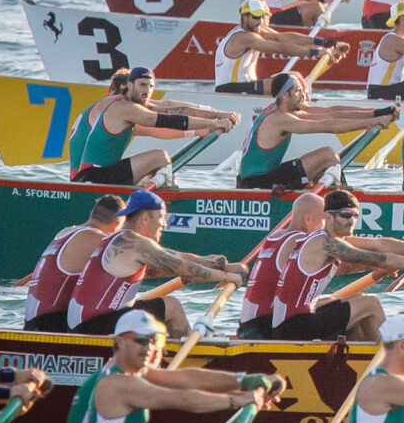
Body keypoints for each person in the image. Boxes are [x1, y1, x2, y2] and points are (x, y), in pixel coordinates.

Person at [67, 310, 280, 423]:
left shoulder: (130, 372)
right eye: (140, 340)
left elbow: (187, 378)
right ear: (119, 342)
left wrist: (245, 380)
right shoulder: (117, 383)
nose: (150, 348)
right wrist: (238, 400)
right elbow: (182, 399)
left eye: (155, 341)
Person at [270, 189, 404, 341]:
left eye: (355, 215)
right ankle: (390, 356)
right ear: (329, 217)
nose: (351, 220)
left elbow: (382, 244)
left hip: (297, 318)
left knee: (359, 298)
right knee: (370, 304)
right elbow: (381, 259)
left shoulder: (331, 239)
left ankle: (368, 351)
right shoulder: (325, 243)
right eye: (345, 215)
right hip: (293, 327)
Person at [67, 190, 248, 337]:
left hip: (85, 324)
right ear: (145, 217)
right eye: (161, 217)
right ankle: (185, 363)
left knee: (152, 312)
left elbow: (175, 258)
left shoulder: (119, 240)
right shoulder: (135, 242)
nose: (164, 224)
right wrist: (227, 277)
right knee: (172, 306)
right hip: (93, 327)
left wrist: (222, 264)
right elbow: (182, 266)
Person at [68, 66, 239, 185]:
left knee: (155, 165)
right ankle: (168, 202)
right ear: (128, 86)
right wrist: (212, 124)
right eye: (142, 85)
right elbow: (162, 122)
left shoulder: (129, 104)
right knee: (160, 158)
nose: (147, 91)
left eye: (150, 86)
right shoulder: (121, 106)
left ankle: (154, 198)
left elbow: (169, 107)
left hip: (95, 174)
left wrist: (218, 114)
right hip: (89, 178)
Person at [237, 71, 395, 189]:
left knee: (324, 166)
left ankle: (331, 199)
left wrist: (377, 113)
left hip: (260, 178)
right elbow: (328, 126)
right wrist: (373, 122)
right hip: (256, 184)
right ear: (285, 95)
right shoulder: (280, 119)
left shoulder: (278, 110)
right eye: (298, 91)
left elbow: (332, 112)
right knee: (327, 155)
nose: (302, 96)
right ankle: (345, 200)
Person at [25, 195, 126, 332]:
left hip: (33, 323)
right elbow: (129, 263)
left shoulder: (65, 232)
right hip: (50, 326)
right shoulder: (93, 238)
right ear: (117, 225)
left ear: (92, 213)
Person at [237, 193, 326, 339]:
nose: (324, 229)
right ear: (308, 219)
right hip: (261, 329)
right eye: (323, 221)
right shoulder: (298, 240)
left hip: (247, 325)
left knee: (327, 303)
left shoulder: (276, 236)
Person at [214, 0, 347, 94]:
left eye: (262, 17)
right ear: (244, 17)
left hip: (246, 87)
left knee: (295, 76)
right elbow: (280, 48)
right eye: (255, 17)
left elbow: (284, 37)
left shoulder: (255, 29)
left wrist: (326, 43)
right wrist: (318, 53)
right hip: (230, 90)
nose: (259, 22)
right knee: (290, 83)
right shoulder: (243, 37)